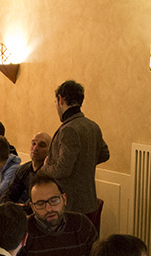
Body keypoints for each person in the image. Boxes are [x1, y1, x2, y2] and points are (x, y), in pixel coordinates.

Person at [17, 172, 97, 256]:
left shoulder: (81, 224)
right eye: (40, 204)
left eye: (54, 200)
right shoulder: (23, 231)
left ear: (64, 199)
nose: (49, 208)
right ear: (32, 207)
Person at [42, 79, 109, 214]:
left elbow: (62, 170)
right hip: (89, 201)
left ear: (61, 99)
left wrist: (45, 168)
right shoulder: (92, 126)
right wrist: (84, 163)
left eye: (55, 102)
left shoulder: (69, 129)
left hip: (71, 204)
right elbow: (104, 154)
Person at [0, 131, 51, 205]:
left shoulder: (50, 173)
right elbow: (8, 194)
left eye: (42, 145)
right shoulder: (23, 169)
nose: (35, 148)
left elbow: (38, 201)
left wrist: (21, 208)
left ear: (50, 151)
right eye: (33, 143)